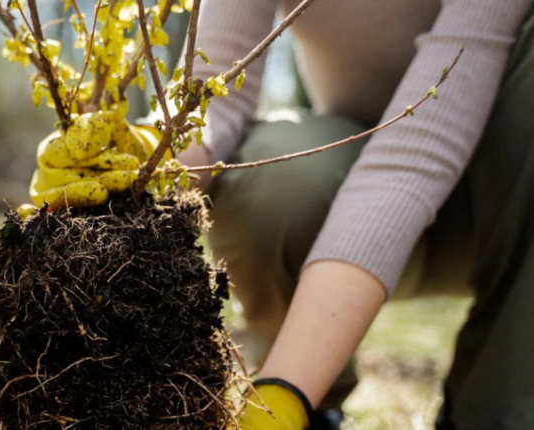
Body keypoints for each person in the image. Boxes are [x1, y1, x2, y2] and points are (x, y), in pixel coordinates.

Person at [32, 0, 534, 428]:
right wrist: (144, 159)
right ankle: (316, 406)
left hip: (506, 210)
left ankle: (495, 410)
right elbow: (213, 96)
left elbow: (412, 159)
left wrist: (282, 394)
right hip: (353, 197)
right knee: (272, 170)